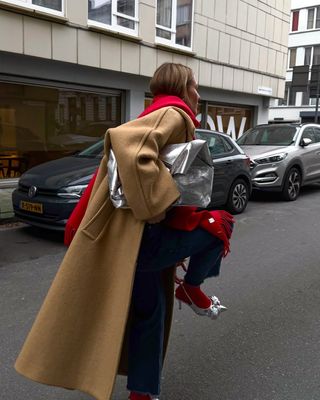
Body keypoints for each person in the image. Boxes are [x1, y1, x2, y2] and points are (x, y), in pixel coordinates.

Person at [15, 63, 234, 400]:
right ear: (182, 86)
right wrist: (158, 205)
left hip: (132, 240)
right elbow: (129, 146)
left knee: (150, 313)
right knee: (220, 224)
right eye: (195, 85)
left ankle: (142, 393)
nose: (199, 93)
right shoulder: (173, 113)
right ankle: (192, 290)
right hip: (143, 239)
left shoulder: (156, 111)